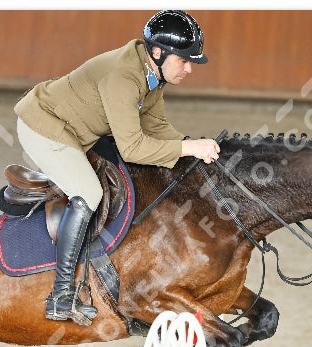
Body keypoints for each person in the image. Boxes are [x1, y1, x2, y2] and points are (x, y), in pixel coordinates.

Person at [14, 9, 220, 326]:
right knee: (88, 193)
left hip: (80, 128)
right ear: (157, 52)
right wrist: (187, 147)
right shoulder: (124, 76)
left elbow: (158, 127)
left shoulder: (154, 76)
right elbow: (133, 146)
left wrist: (192, 147)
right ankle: (60, 297)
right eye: (184, 60)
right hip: (45, 126)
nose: (189, 68)